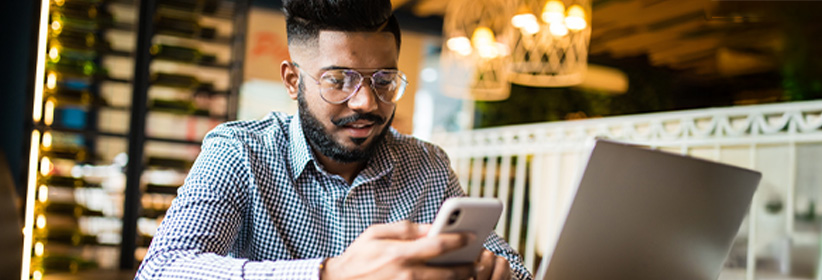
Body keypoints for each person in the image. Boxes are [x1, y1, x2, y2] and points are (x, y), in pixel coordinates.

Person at [135, 0, 531, 279]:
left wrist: (494, 272)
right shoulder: (240, 153)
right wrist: (332, 274)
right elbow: (162, 270)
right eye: (338, 80)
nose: (366, 102)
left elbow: (513, 266)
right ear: (293, 80)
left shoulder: (426, 165)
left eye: (384, 81)